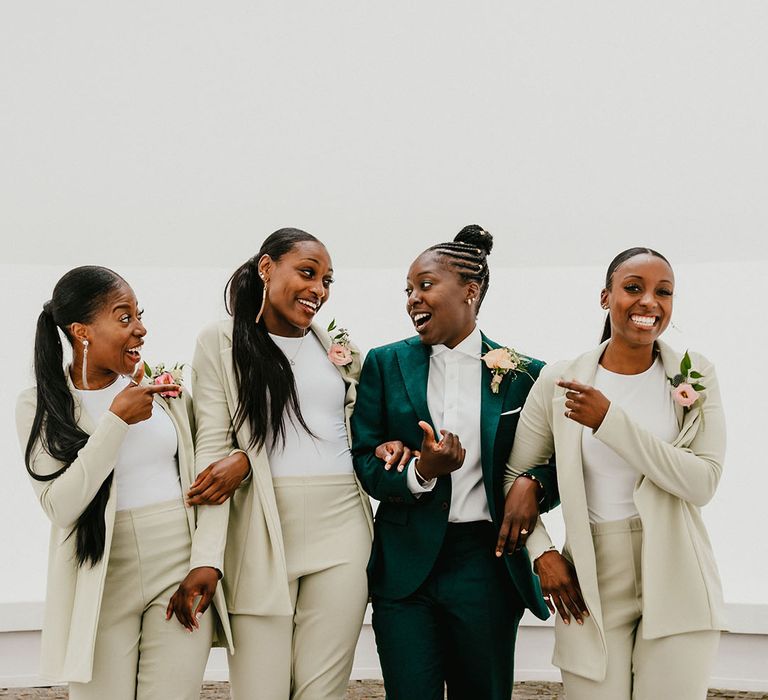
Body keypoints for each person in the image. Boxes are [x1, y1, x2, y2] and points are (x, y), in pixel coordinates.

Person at [499, 247, 726, 699]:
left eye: (664, 292)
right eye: (633, 288)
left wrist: (610, 422)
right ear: (605, 297)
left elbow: (702, 483)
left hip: (679, 569)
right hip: (589, 575)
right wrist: (542, 554)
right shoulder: (560, 380)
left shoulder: (694, 374)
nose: (649, 302)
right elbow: (513, 475)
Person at [351, 226, 559, 700]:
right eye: (407, 290)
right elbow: (363, 459)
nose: (412, 299)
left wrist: (534, 484)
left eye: (424, 285)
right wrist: (421, 471)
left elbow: (555, 463)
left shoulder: (525, 374)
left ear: (470, 290)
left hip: (485, 564)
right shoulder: (384, 364)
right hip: (404, 570)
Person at [15, 265, 232, 700]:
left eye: (139, 315)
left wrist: (206, 558)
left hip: (178, 568)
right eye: (125, 317)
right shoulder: (39, 404)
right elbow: (60, 505)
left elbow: (211, 461)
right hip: (99, 576)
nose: (141, 329)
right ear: (82, 331)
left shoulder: (164, 393)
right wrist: (115, 421)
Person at [189, 227, 374, 700]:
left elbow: (357, 432)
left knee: (322, 691)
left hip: (343, 529)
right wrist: (208, 558)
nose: (319, 290)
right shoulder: (220, 342)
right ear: (267, 268)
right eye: (308, 273)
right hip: (259, 532)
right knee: (260, 691)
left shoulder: (337, 352)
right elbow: (212, 453)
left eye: (328, 281)